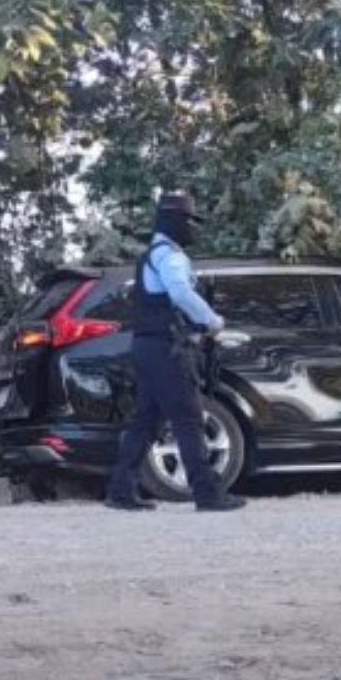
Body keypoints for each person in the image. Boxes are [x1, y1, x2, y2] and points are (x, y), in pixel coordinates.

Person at [105, 193, 246, 512]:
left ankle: (121, 491)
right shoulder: (170, 256)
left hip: (146, 346)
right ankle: (208, 494)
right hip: (167, 348)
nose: (193, 229)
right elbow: (181, 293)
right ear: (175, 222)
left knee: (146, 420)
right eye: (190, 222)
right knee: (189, 417)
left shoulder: (149, 256)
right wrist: (211, 321)